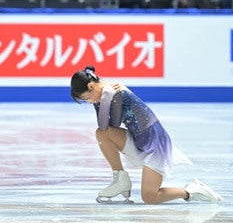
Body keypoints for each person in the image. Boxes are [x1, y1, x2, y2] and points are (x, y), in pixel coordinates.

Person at [70, 65, 223, 204]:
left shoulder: (116, 93)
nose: (88, 102)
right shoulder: (103, 96)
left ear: (91, 86)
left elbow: (114, 124)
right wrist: (104, 99)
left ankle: (191, 191)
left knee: (150, 197)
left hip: (154, 143)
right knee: (102, 134)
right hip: (138, 139)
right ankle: (120, 179)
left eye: (86, 98)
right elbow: (104, 127)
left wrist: (107, 98)